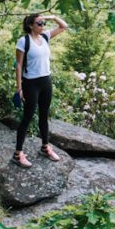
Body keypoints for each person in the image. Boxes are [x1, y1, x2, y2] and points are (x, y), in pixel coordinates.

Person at [14, 13, 67, 167]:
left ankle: (45, 147)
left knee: (44, 116)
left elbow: (63, 26)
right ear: (31, 25)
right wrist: (19, 87)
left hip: (46, 81)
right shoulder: (24, 41)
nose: (43, 25)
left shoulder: (45, 37)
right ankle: (17, 154)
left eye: (44, 23)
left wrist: (52, 17)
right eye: (39, 23)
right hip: (31, 83)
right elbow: (19, 65)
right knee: (27, 117)